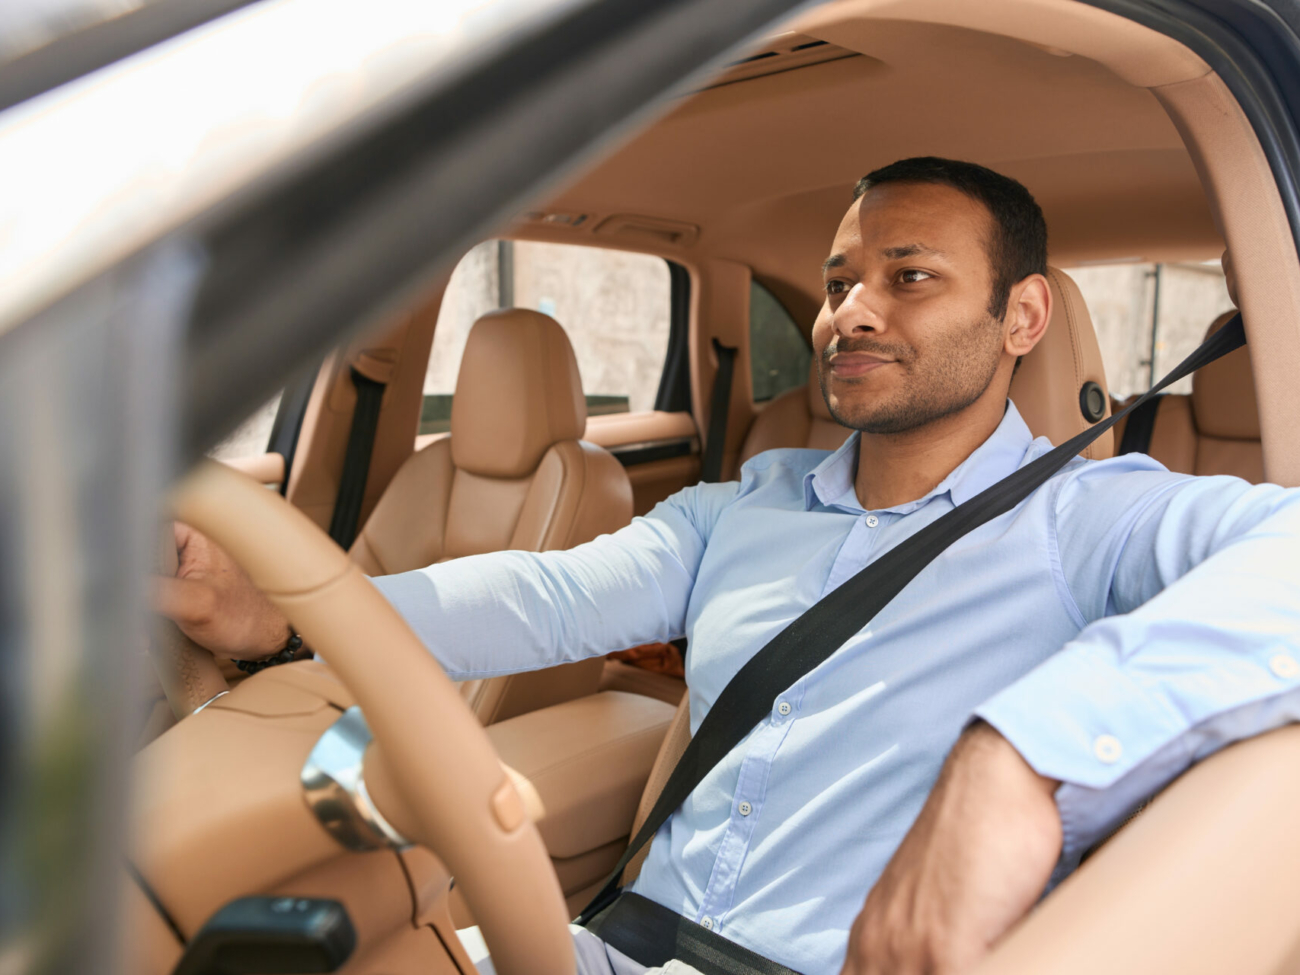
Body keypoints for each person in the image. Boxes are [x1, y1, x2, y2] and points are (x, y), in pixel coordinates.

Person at [157, 157, 1300, 975]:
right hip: (613, 944)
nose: (851, 310)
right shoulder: (742, 507)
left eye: (909, 277)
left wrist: (1019, 759)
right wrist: (286, 611)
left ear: (1022, 316)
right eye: (841, 278)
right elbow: (540, 596)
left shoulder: (1090, 521)